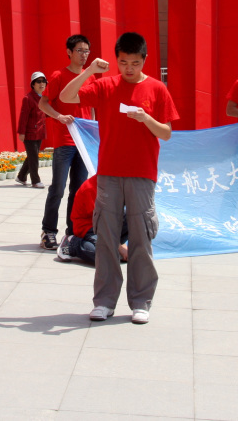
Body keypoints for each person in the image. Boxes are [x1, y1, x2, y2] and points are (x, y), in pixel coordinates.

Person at [60, 32, 178, 325]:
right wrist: (89, 71)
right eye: (123, 62)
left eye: (134, 63)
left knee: (141, 237)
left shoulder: (156, 89)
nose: (128, 69)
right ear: (116, 60)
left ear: (144, 60)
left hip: (141, 174)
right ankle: (104, 301)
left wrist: (146, 119)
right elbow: (65, 96)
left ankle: (141, 301)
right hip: (109, 174)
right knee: (107, 238)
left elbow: (166, 132)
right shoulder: (106, 85)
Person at [38, 34, 95, 250]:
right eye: (79, 50)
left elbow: (91, 109)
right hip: (64, 141)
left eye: (86, 51)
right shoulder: (59, 76)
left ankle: (72, 232)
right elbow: (43, 104)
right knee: (58, 188)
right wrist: (59, 117)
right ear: (69, 52)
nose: (84, 55)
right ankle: (48, 231)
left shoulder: (90, 77)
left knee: (78, 190)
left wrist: (94, 131)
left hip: (83, 142)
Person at [55, 175, 129, 264]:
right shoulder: (91, 188)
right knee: (105, 258)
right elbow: (102, 224)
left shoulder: (115, 184)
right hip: (89, 227)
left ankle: (112, 246)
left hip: (106, 224)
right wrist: (120, 248)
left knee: (133, 216)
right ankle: (72, 244)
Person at [16, 72, 48, 188]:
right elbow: (23, 117)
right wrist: (21, 132)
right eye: (38, 81)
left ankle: (21, 176)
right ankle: (35, 180)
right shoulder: (28, 98)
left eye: (43, 81)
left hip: (39, 132)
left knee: (32, 156)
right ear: (33, 84)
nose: (41, 84)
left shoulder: (43, 98)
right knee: (34, 157)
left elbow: (45, 113)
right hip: (29, 133)